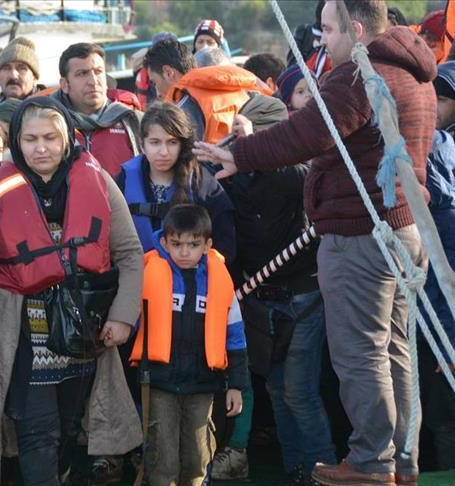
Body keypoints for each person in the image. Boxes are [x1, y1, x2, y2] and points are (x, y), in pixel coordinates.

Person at [193, 2, 436, 483]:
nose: (321, 39)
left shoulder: (358, 75)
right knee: (395, 352)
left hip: (361, 236)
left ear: (356, 30)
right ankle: (401, 462)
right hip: (405, 231)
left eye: (327, 29)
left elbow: (306, 134)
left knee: (362, 353)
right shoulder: (417, 74)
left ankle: (372, 462)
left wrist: (241, 154)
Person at [0, 96, 144, 485]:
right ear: (16, 141)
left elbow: (129, 253)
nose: (40, 148)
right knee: (37, 432)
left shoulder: (98, 180)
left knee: (70, 426)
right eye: (30, 139)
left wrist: (123, 316)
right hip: (23, 331)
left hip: (85, 328)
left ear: (66, 139)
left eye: (50, 138)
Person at [224, 94, 336, 484]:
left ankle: (321, 469)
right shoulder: (233, 174)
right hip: (259, 297)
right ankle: (295, 469)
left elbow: (302, 176)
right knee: (275, 388)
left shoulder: (300, 170)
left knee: (299, 391)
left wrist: (257, 148)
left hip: (302, 294)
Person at [130, 204, 247, 486]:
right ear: (163, 243)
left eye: (193, 245)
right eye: (177, 244)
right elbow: (126, 319)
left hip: (202, 386)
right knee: (163, 459)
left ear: (207, 245)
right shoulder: (146, 273)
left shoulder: (220, 280)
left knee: (198, 458)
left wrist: (236, 385)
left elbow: (235, 336)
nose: (184, 252)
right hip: (159, 383)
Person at [117, 102, 236, 260]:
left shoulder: (203, 184)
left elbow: (225, 247)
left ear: (182, 145)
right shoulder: (124, 180)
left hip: (193, 274)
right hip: (138, 273)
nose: (163, 152)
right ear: (142, 144)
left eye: (172, 142)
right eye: (155, 142)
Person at [419, 60, 455, 472]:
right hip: (427, 313)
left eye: (443, 98)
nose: (435, 105)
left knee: (443, 416)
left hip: (441, 320)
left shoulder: (444, 213)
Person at [52, 42, 143, 177]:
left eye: (98, 72)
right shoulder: (47, 125)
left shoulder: (135, 122)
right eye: (82, 74)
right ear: (65, 85)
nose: (93, 81)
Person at [143, 38, 204, 141]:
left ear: (168, 73)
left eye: (154, 83)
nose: (157, 94)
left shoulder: (181, 117)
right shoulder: (212, 96)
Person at [0, 36, 44, 116]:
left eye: (22, 68)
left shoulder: (48, 112)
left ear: (34, 78)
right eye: (6, 68)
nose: (13, 76)